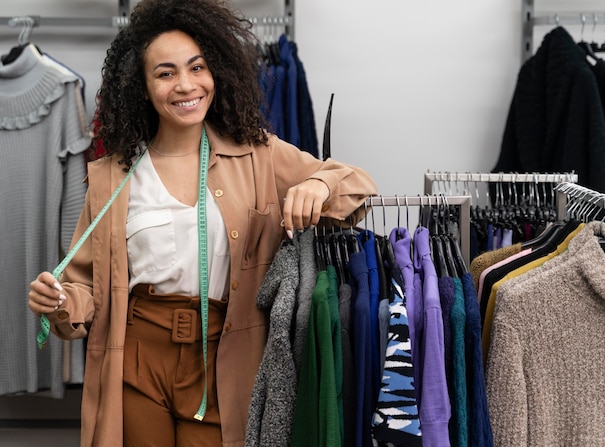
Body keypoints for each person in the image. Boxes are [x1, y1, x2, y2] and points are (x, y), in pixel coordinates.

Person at [27, 0, 377, 445]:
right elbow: (86, 290)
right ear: (143, 86)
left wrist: (321, 187)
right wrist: (58, 301)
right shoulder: (113, 176)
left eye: (197, 67)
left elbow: (360, 186)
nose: (186, 85)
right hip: (137, 356)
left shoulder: (260, 156)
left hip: (227, 356)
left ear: (217, 73)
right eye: (166, 72)